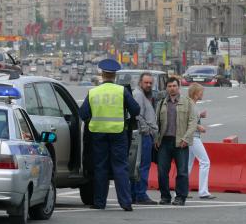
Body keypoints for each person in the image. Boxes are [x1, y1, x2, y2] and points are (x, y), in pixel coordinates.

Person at [79, 59, 140, 211]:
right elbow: (136, 110)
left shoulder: (93, 92)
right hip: (118, 133)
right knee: (120, 167)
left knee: (101, 168)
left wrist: (93, 119)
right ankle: (125, 203)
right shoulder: (121, 91)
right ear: (114, 75)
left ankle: (100, 203)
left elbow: (83, 113)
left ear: (102, 74)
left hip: (98, 134)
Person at [155, 77, 197, 206]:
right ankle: (165, 196)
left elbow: (193, 122)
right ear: (166, 88)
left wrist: (186, 138)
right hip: (164, 142)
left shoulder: (188, 102)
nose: (172, 88)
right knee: (162, 172)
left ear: (178, 87)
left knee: (182, 172)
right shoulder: (161, 103)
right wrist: (156, 139)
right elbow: (157, 123)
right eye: (169, 86)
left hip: (180, 142)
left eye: (174, 86)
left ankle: (180, 197)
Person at [131, 73, 158, 205]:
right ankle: (140, 194)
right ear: (140, 82)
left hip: (145, 135)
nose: (148, 85)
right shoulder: (139, 95)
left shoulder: (145, 95)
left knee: (139, 165)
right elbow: (137, 116)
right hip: (143, 136)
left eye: (150, 83)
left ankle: (135, 194)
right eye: (146, 83)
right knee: (142, 166)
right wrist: (147, 130)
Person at [187, 83, 215, 199]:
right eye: (200, 92)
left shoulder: (191, 104)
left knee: (187, 165)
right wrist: (199, 127)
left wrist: (200, 115)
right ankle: (203, 191)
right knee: (205, 162)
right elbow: (188, 120)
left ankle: (181, 190)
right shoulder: (191, 104)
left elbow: (191, 117)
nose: (202, 94)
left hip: (190, 137)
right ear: (195, 93)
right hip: (193, 137)